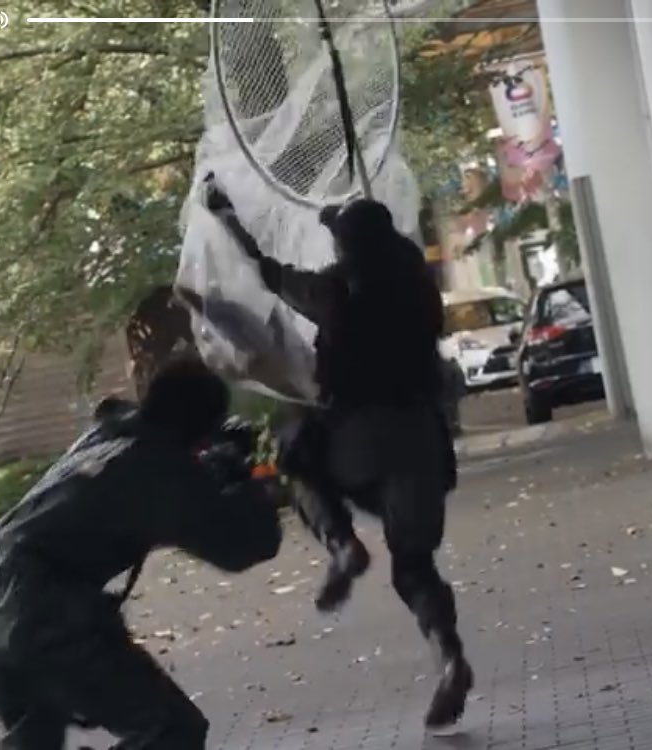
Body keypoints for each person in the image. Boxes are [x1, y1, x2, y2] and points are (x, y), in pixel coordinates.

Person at [201, 175, 472, 731]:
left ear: (348, 249)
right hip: (422, 440)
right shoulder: (418, 287)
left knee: (296, 455)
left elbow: (268, 272)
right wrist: (338, 221)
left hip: (359, 438)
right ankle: (449, 656)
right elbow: (383, 248)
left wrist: (229, 218)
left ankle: (341, 543)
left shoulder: (333, 290)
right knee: (415, 567)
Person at [0, 356, 282, 750]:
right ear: (199, 429)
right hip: (40, 619)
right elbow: (244, 546)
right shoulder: (159, 467)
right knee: (171, 732)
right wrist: (238, 477)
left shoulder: (104, 438)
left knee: (36, 737)